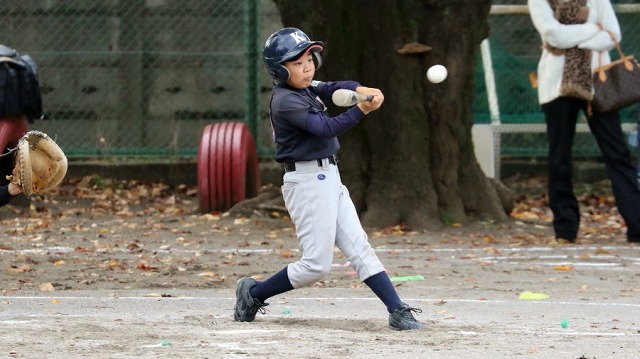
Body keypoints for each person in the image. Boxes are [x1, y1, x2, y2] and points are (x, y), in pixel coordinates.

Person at [233, 27, 423, 330]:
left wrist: (361, 90)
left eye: (309, 59)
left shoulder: (306, 87)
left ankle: (398, 310)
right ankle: (253, 292)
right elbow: (325, 129)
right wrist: (362, 108)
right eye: (296, 63)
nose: (307, 67)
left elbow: (335, 87)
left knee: (360, 248)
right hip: (306, 182)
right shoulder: (285, 100)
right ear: (279, 71)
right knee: (316, 266)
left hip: (328, 177)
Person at [528, 0, 640, 243]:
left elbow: (612, 35)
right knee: (560, 157)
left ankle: (637, 225)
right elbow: (552, 35)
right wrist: (592, 29)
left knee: (617, 153)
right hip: (556, 86)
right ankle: (565, 229)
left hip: (599, 84)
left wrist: (571, 37)